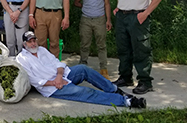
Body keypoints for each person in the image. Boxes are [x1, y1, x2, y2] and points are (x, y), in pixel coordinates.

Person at [16, 31, 147, 108]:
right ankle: (126, 101)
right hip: (52, 87)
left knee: (84, 69)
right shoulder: (22, 58)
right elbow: (34, 80)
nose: (33, 44)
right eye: (29, 42)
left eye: (34, 40)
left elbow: (58, 63)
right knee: (86, 92)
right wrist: (56, 82)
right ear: (24, 44)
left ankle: (115, 90)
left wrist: (59, 77)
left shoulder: (42, 50)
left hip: (61, 77)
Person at [112, 0, 164, 94]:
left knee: (141, 49)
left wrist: (146, 13)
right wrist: (118, 6)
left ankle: (145, 81)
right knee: (123, 49)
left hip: (138, 16)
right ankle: (125, 77)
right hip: (122, 16)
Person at [74, 0, 112, 79]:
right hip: (85, 19)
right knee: (85, 44)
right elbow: (76, 2)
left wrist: (108, 20)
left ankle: (103, 69)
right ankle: (83, 65)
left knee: (101, 45)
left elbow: (107, 4)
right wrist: (85, 7)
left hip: (100, 19)